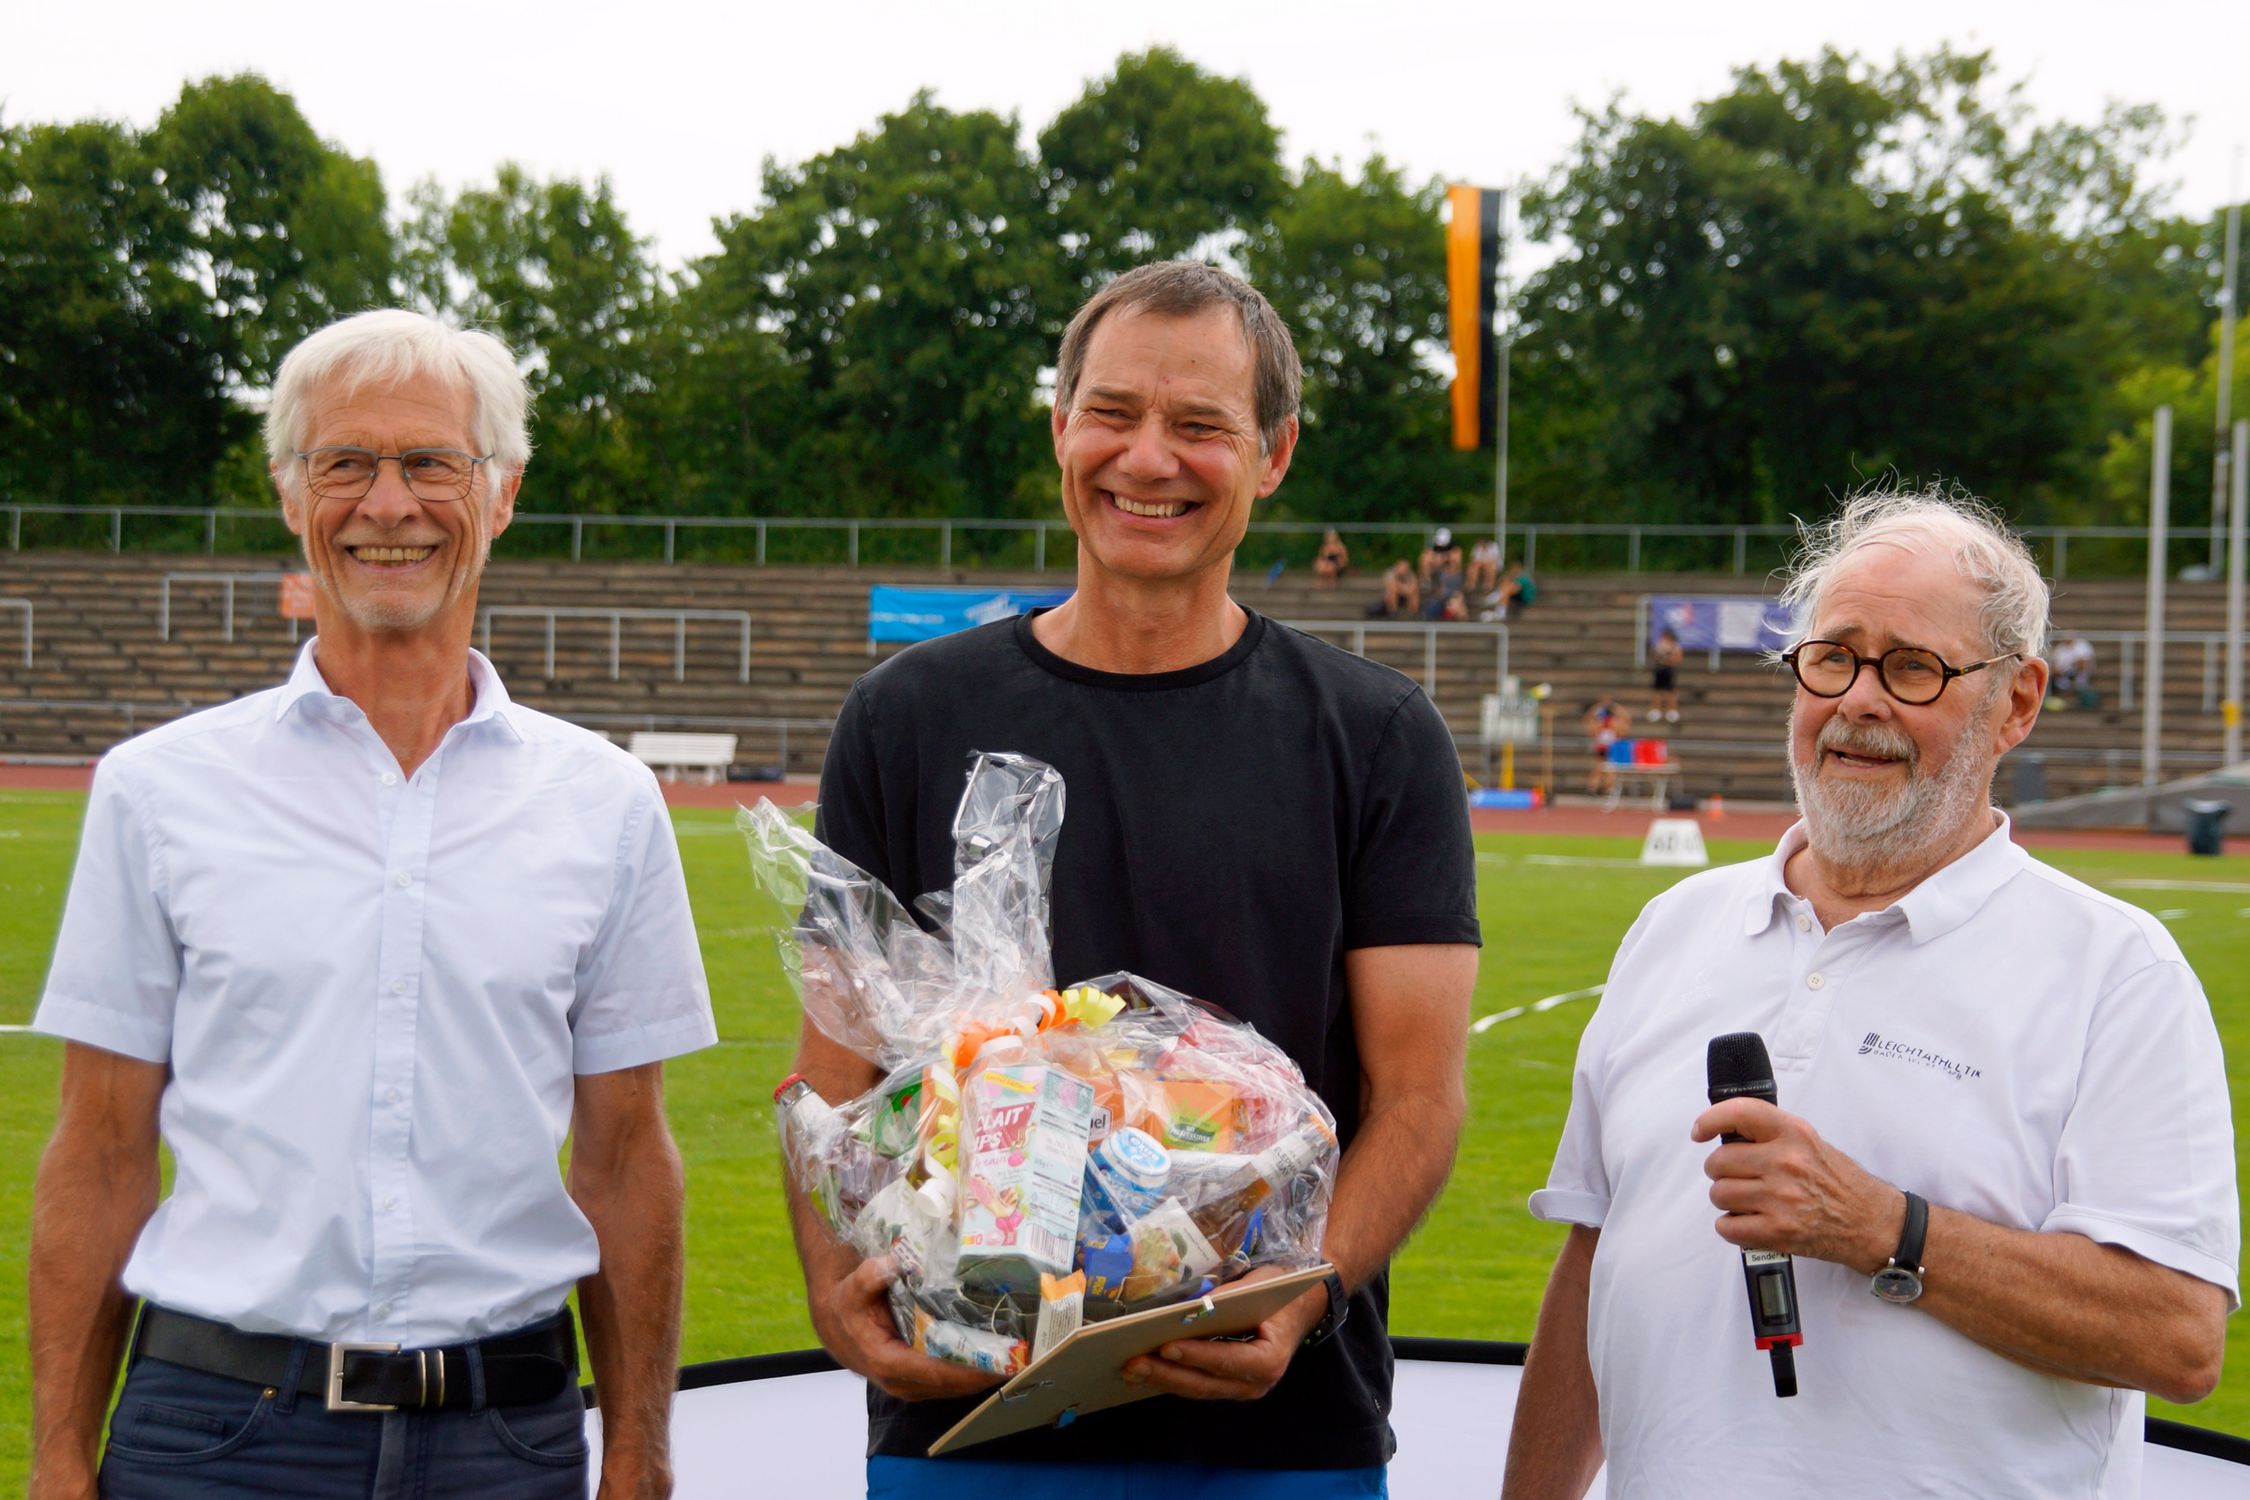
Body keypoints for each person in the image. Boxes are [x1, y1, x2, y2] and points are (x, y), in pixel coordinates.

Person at [788, 260, 1481, 1495]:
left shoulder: (1376, 736)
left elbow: (1418, 1098)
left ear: (1274, 454)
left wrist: (1298, 1295)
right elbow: (833, 1080)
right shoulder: (903, 717)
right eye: (1110, 412)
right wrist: (835, 1295)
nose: (1146, 458)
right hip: (968, 1422)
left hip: (1280, 1443)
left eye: (1199, 424)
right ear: (1061, 426)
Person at [27, 310, 717, 1500]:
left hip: (506, 1443)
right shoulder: (158, 790)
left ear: (501, 492)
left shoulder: (605, 803)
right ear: (289, 491)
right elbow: (99, 1149)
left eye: (431, 463)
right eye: (344, 462)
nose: (387, 505)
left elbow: (624, 1156)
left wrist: (641, 1457)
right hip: (217, 1440)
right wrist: (54, 1462)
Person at [1503, 489, 2235, 1500]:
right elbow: (1596, 1262)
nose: (1858, 700)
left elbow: (2179, 1336)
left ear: (2016, 702)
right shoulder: (1674, 928)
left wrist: (1886, 1228)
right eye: (1834, 656)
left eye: (1912, 668)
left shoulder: (2117, 972)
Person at [1581, 694, 1622, 797]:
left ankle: (1605, 788)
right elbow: (1587, 721)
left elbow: (1626, 721)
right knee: (1600, 768)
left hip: (1611, 748)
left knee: (1607, 769)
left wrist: (1615, 706)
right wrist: (1598, 706)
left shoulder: (1614, 723)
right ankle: (1595, 788)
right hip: (1602, 748)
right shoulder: (1599, 723)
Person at [1418, 526, 1464, 603]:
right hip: (1437, 569)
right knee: (1425, 558)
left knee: (1453, 559)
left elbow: (1457, 562)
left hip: (1449, 571)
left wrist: (1445, 558)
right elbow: (1430, 556)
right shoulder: (1435, 548)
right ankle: (1426, 582)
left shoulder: (1455, 550)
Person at [1648, 626, 1683, 722]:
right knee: (1657, 690)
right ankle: (1656, 709)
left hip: (1669, 670)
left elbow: (1677, 659)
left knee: (1670, 690)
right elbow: (1655, 657)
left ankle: (1672, 710)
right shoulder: (1659, 645)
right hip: (1660, 669)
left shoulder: (1675, 646)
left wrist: (1667, 659)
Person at [2052, 632, 2097, 707]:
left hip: (2079, 674)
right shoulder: (2060, 648)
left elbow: (2083, 664)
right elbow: (2055, 668)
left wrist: (2071, 667)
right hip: (2063, 675)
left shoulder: (2082, 645)